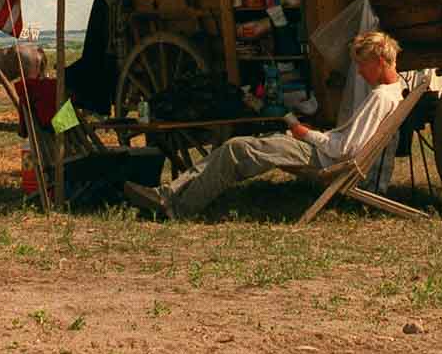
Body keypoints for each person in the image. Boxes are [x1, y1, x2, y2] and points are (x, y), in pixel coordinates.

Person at [124, 30, 404, 219]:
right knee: (238, 148)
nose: (359, 71)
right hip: (322, 151)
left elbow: (345, 149)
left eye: (363, 65)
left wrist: (305, 133)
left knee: (235, 149)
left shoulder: (380, 97)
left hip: (323, 157)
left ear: (379, 61)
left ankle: (178, 206)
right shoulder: (394, 92)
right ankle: (169, 195)